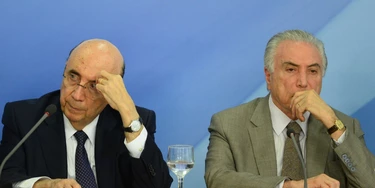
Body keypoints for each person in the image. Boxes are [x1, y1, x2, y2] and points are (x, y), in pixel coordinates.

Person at [204, 30, 375, 188]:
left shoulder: (343, 126)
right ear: (268, 76)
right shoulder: (229, 124)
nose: (303, 82)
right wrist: (288, 186)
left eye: (313, 71)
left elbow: (370, 183)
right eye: (291, 69)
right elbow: (218, 179)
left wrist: (332, 122)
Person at [0, 39, 173, 188]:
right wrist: (41, 185)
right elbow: (5, 177)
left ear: (111, 91)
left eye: (93, 86)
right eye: (73, 77)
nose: (76, 96)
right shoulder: (24, 118)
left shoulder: (130, 122)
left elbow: (158, 185)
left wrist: (128, 112)